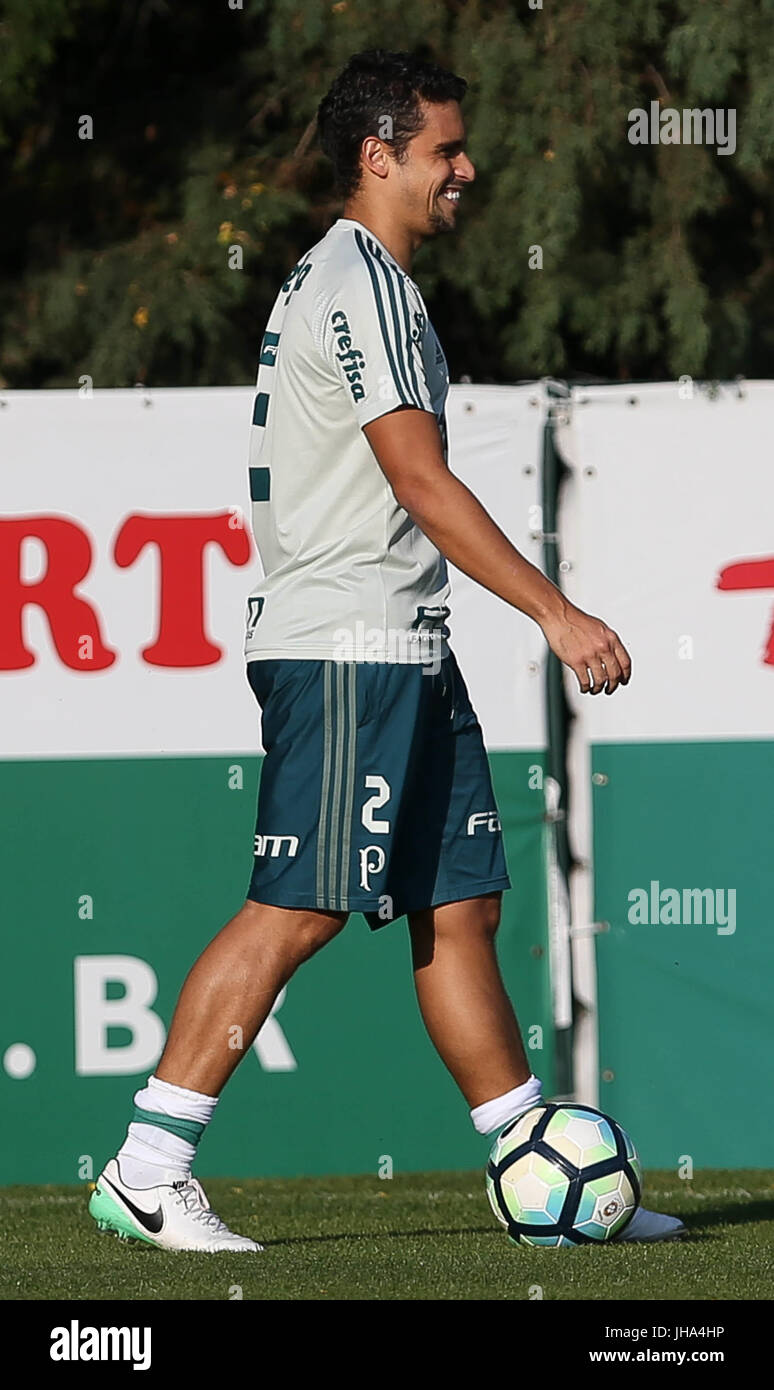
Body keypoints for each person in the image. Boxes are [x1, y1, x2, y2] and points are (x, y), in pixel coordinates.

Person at [89, 49, 684, 1251]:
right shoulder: (355, 281)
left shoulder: (375, 281)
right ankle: (149, 1164)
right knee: (297, 905)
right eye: (446, 150)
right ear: (380, 155)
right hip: (347, 643)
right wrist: (555, 613)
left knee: (459, 904)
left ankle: (532, 1160)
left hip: (405, 641)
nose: (468, 169)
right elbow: (418, 478)